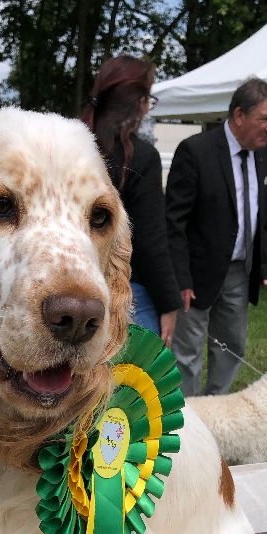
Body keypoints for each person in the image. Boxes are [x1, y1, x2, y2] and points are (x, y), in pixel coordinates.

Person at [166, 77, 267, 395]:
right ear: (240, 115)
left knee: (230, 346)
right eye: (266, 119)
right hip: (197, 274)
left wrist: (263, 265)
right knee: (187, 354)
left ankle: (217, 410)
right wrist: (181, 278)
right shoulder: (195, 151)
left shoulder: (263, 154)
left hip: (239, 272)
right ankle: (186, 421)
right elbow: (174, 221)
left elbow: (263, 214)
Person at [82, 55, 182, 345]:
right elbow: (151, 242)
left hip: (69, 283)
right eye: (148, 97)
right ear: (138, 102)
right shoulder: (140, 158)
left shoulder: (67, 147)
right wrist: (168, 303)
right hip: (124, 285)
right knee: (138, 380)